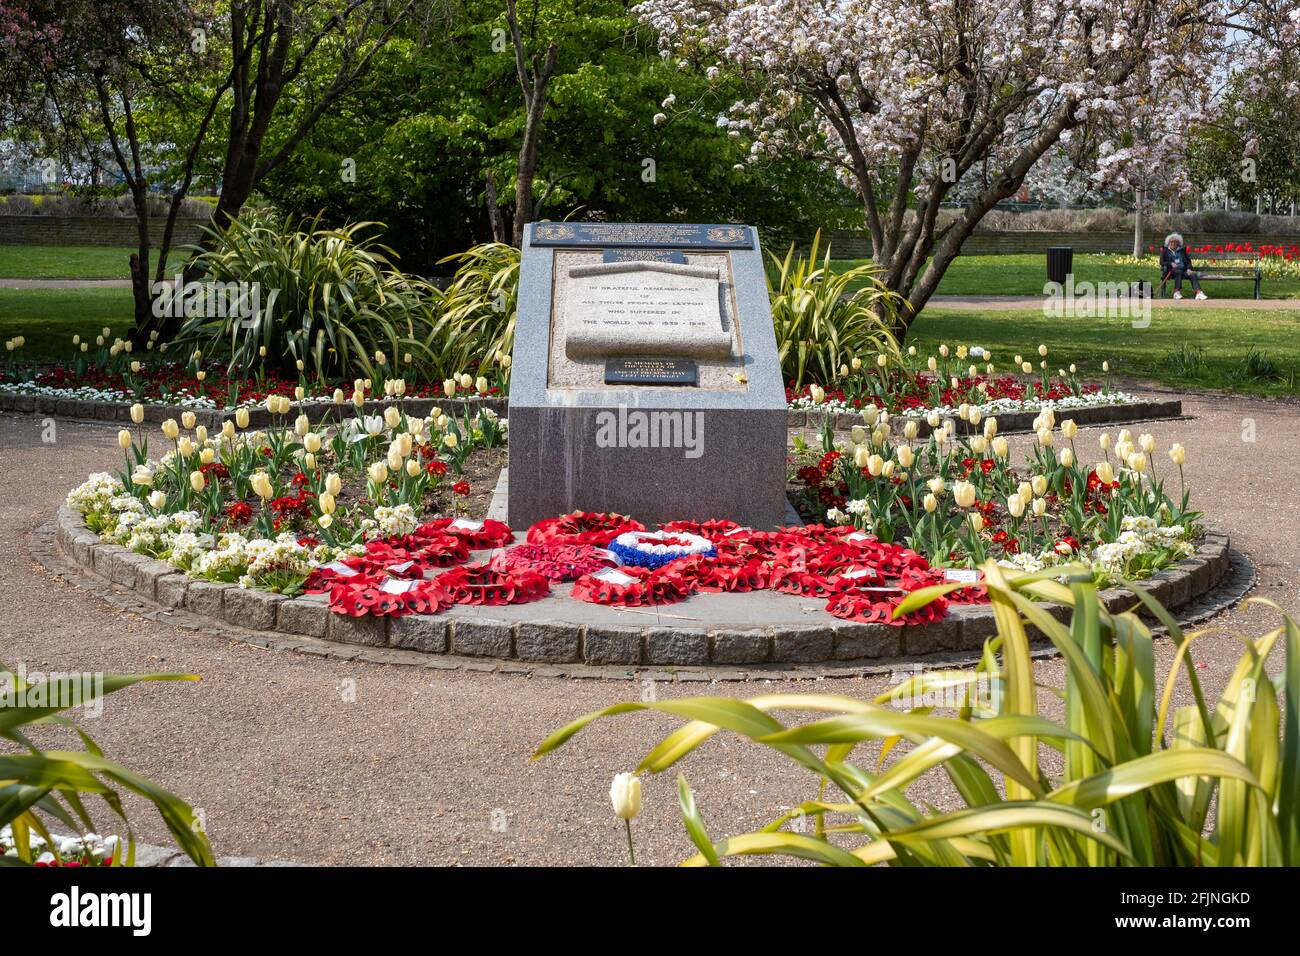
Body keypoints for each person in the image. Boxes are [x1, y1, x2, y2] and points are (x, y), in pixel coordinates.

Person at [1160, 233, 1207, 300]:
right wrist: (1170, 263)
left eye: (1175, 242)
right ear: (1168, 242)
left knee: (1192, 274)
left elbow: (1188, 261)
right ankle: (1176, 292)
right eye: (1171, 242)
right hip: (1171, 272)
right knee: (1178, 271)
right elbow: (1162, 262)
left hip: (1184, 271)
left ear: (1178, 243)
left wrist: (1188, 269)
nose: (1173, 243)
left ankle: (1198, 293)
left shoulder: (1182, 251)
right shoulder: (1165, 250)